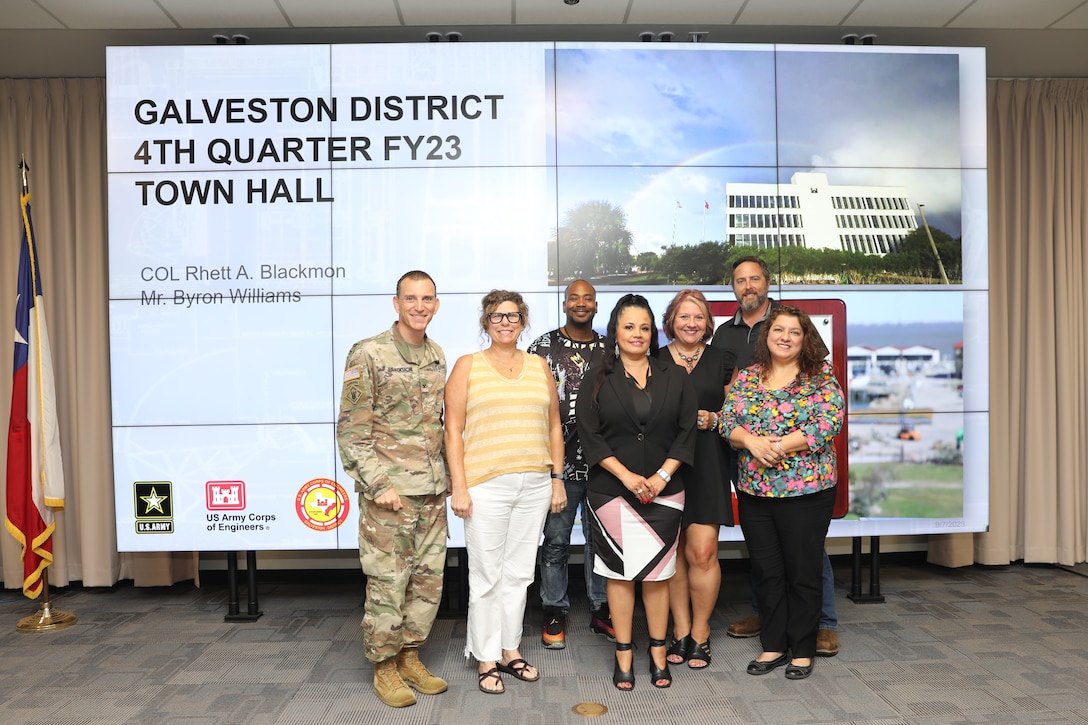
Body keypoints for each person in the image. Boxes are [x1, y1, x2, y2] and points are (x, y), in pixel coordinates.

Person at [711, 255, 842, 658]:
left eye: (793, 332)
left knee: (804, 568)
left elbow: (828, 421)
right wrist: (750, 442)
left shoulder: (819, 375)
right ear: (767, 336)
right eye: (778, 331)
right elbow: (726, 418)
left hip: (807, 490)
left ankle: (808, 640)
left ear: (805, 339)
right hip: (756, 489)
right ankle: (772, 639)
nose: (784, 337)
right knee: (767, 569)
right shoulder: (746, 372)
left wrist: (777, 446)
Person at [336, 270, 450, 709]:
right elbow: (352, 431)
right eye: (411, 298)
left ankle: (410, 656)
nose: (419, 306)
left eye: (427, 299)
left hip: (432, 491)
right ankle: (384, 667)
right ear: (396, 303)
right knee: (387, 582)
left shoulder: (437, 355)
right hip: (390, 494)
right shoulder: (368, 353)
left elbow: (436, 427)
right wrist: (378, 484)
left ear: (436, 305)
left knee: (426, 582)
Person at [445, 290, 566, 695]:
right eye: (497, 316)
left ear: (523, 320)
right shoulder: (468, 366)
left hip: (533, 483)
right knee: (485, 577)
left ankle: (511, 650)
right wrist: (458, 486)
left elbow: (553, 426)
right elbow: (452, 430)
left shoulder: (539, 366)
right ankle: (485, 658)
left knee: (518, 574)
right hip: (485, 486)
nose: (505, 322)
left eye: (513, 315)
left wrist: (556, 478)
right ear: (486, 322)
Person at [576, 294, 697, 691]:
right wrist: (627, 476)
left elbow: (686, 432)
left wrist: (662, 475)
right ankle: (624, 655)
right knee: (620, 574)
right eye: (629, 326)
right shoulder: (596, 375)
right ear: (615, 331)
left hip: (665, 490)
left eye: (645, 327)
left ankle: (659, 653)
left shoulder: (674, 375)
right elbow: (590, 437)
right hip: (612, 491)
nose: (637, 334)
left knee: (658, 575)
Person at [526, 280, 614, 649]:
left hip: (603, 464)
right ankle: (554, 608)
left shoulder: (611, 348)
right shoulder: (543, 347)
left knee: (600, 541)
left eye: (588, 298)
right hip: (558, 466)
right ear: (564, 304)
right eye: (574, 298)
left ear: (596, 305)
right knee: (556, 540)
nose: (581, 303)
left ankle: (602, 607)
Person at [657, 290, 734, 670]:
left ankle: (701, 634)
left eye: (699, 317)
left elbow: (737, 416)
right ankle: (681, 631)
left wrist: (715, 419)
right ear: (671, 320)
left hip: (707, 462)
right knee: (672, 555)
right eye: (684, 317)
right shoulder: (653, 359)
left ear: (708, 322)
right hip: (665, 466)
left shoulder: (722, 360)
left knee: (702, 552)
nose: (691, 324)